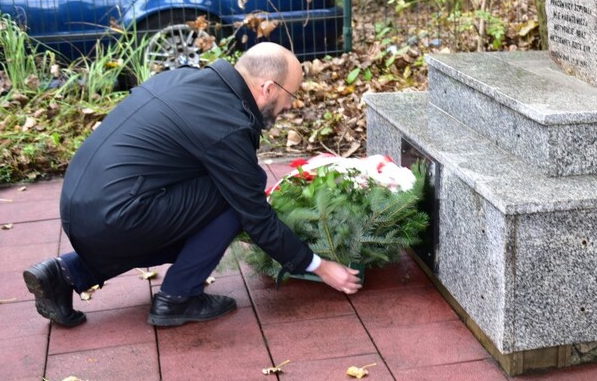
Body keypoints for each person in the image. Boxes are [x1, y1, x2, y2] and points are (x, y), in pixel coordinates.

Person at [23, 42, 362, 328]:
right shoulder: (226, 123)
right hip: (115, 216)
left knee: (214, 201)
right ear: (268, 88)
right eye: (290, 94)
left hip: (81, 205)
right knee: (236, 197)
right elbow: (256, 216)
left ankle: (65, 274)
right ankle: (178, 298)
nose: (290, 105)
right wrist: (319, 266)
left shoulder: (189, 79)